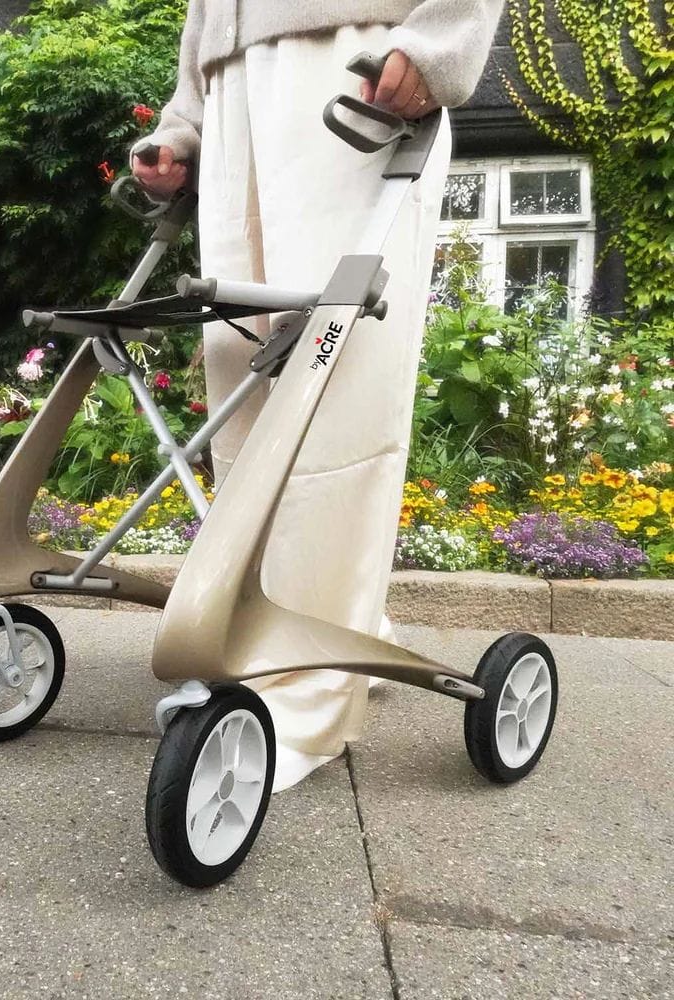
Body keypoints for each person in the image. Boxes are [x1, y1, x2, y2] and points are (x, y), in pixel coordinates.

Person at [132, 2, 504, 792]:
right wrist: (185, 127)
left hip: (353, 67)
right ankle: (316, 627)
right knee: (244, 379)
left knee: (335, 390)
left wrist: (438, 45)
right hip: (232, 90)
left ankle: (299, 694)